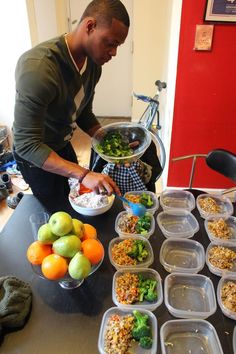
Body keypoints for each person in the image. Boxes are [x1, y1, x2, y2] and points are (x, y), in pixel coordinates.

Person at [12, 0, 130, 204]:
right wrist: (84, 174)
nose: (114, 53)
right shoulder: (39, 69)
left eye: (117, 46)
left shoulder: (93, 64)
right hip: (36, 154)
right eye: (110, 43)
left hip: (62, 144)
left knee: (77, 198)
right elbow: (26, 144)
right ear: (90, 26)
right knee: (58, 210)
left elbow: (82, 112)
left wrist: (109, 141)